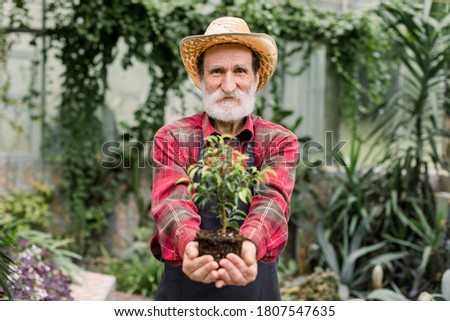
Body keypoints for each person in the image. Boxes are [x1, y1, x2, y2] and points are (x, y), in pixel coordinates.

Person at [150, 16, 298, 300]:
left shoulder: (279, 140)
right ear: (202, 79)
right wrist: (190, 244)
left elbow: (273, 202)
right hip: (184, 294)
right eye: (217, 71)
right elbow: (171, 201)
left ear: (255, 78)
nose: (228, 85)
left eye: (240, 71)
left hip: (254, 294)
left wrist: (249, 246)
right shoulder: (173, 137)